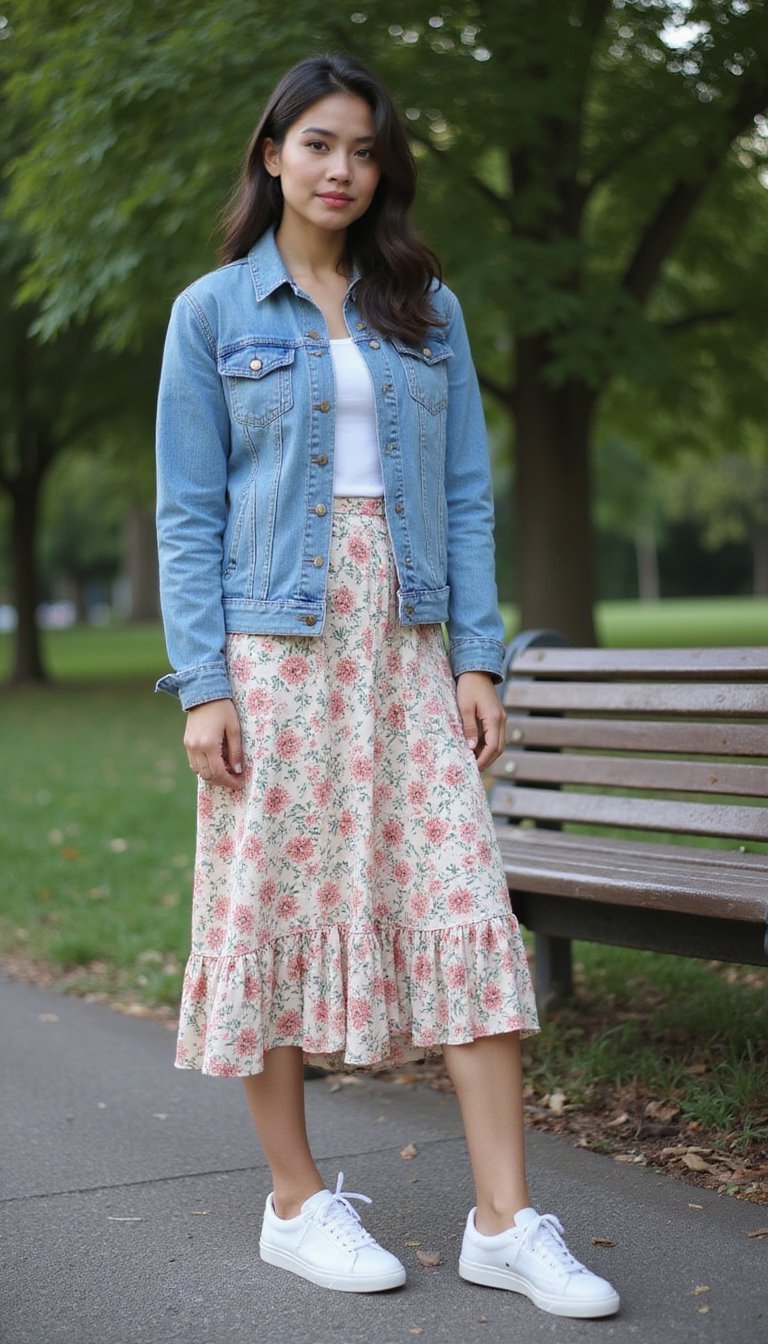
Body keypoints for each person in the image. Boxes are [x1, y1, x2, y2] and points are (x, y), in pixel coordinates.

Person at [154, 52, 620, 1319]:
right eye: (317, 144)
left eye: (361, 149)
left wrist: (478, 656)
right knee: (274, 909)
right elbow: (186, 515)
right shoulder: (212, 315)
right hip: (277, 655)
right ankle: (297, 1203)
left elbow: (466, 494)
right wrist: (205, 686)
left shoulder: (430, 308)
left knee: (465, 897)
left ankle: (507, 1223)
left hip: (410, 648)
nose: (341, 169)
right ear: (272, 154)